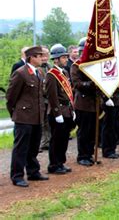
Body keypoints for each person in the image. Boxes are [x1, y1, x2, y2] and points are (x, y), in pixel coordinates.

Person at [7, 46, 49, 187]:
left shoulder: (40, 72)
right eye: (39, 56)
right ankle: (17, 176)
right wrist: (15, 113)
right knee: (21, 148)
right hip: (23, 117)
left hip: (37, 116)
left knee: (34, 146)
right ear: (31, 57)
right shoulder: (20, 73)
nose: (42, 58)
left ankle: (33, 172)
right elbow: (11, 97)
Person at [45, 44, 75, 174]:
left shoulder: (65, 72)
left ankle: (61, 162)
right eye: (63, 57)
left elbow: (69, 94)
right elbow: (52, 96)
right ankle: (54, 164)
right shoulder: (52, 75)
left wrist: (72, 110)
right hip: (57, 112)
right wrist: (57, 113)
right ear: (55, 59)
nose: (66, 60)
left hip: (67, 111)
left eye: (66, 57)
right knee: (56, 140)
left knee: (64, 139)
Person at [70, 37, 98, 166]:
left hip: (94, 103)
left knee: (92, 131)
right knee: (83, 131)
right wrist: (92, 84)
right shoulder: (76, 66)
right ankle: (82, 156)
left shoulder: (94, 65)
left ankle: (89, 153)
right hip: (83, 103)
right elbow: (77, 84)